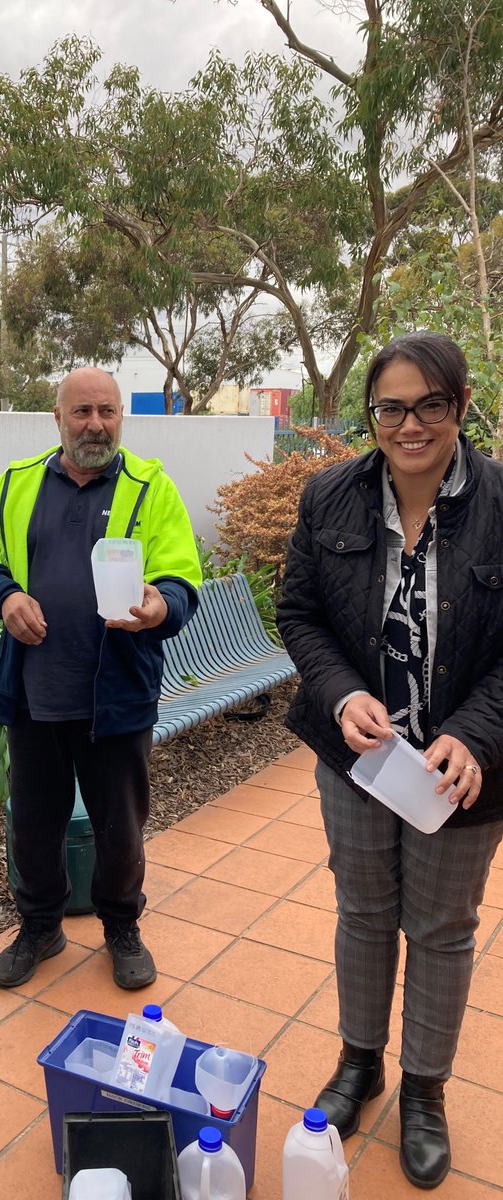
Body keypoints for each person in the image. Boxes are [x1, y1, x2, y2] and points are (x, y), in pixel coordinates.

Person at [277, 331, 503, 1190]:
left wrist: (477, 733)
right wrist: (340, 695)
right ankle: (359, 1064)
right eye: (391, 408)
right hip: (360, 759)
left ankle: (425, 1091)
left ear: (461, 404)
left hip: (460, 772)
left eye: (430, 406)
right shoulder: (330, 496)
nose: (410, 426)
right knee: (363, 912)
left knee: (442, 931)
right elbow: (299, 612)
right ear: (372, 413)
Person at [0, 366, 201, 990]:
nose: (96, 424)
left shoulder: (152, 488)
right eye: (82, 412)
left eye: (107, 412)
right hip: (35, 695)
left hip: (116, 695)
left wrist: (159, 608)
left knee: (120, 826)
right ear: (58, 418)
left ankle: (121, 925)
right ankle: (40, 926)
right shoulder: (15, 485)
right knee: (34, 823)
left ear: (121, 416)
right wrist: (6, 597)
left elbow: (181, 579)